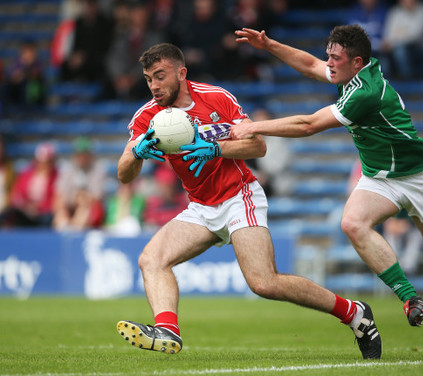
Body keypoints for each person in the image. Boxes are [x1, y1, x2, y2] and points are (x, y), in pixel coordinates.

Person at [115, 42, 381, 359]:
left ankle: (354, 313)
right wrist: (136, 154)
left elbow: (258, 147)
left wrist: (217, 148)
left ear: (181, 72)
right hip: (201, 206)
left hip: (239, 196)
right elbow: (124, 174)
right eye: (148, 79)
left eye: (160, 76)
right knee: (151, 260)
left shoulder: (216, 98)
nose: (154, 86)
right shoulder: (148, 116)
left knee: (263, 282)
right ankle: (168, 330)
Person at [231, 25, 423, 327]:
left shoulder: (365, 92)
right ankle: (408, 296)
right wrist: (270, 44)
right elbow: (311, 65)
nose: (328, 63)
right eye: (329, 55)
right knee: (352, 222)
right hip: (378, 177)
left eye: (335, 58)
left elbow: (309, 125)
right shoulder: (348, 73)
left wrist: (254, 126)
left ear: (357, 62)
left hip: (417, 176)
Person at [53, 136, 106, 231]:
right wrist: (70, 202)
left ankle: (75, 230)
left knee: (83, 210)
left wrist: (81, 198)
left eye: (85, 154)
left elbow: (97, 198)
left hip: (89, 209)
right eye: (80, 154)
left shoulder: (97, 171)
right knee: (60, 213)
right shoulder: (68, 170)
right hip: (69, 207)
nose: (82, 158)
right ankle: (65, 231)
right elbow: (60, 194)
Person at [0, 142, 58, 228]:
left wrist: (39, 208)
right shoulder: (26, 175)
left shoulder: (56, 176)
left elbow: (55, 199)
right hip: (26, 213)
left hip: (45, 214)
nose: (44, 165)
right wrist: (26, 206)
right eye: (41, 161)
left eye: (47, 162)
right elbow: (17, 195)